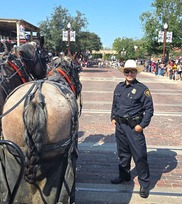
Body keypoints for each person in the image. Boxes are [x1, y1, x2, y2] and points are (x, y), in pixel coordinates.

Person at [111, 59, 154, 198]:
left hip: (134, 128)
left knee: (140, 156)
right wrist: (112, 117)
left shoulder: (143, 89)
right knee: (123, 154)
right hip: (120, 127)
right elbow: (114, 104)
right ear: (124, 73)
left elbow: (149, 110)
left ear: (136, 73)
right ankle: (124, 176)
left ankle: (144, 184)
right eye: (127, 71)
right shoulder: (119, 87)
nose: (129, 74)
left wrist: (141, 126)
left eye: (132, 71)